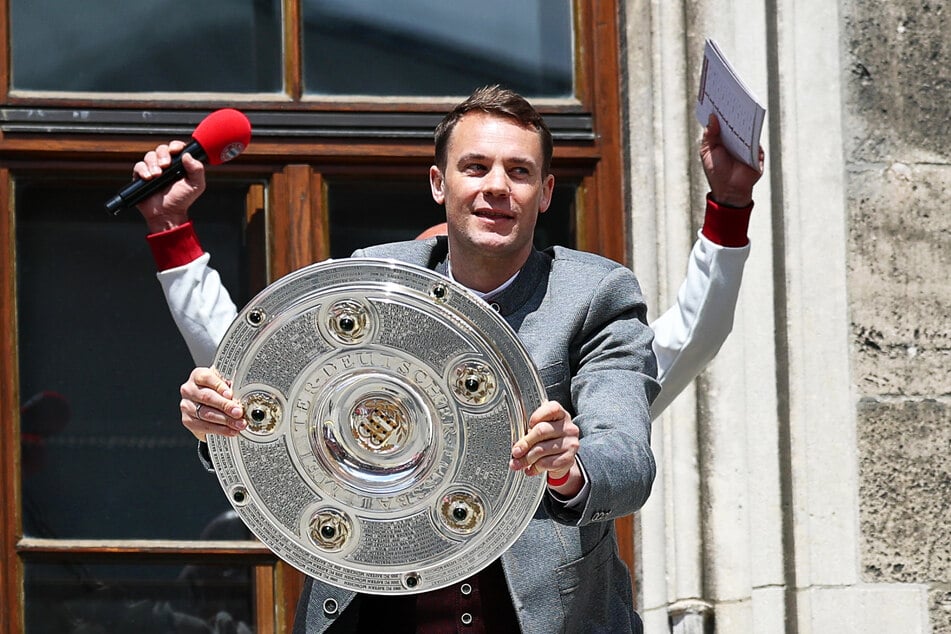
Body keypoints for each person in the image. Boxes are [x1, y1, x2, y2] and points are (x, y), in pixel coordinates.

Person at [133, 85, 762, 633]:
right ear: (439, 184)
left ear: (546, 193)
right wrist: (221, 423)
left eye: (518, 172)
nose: (495, 188)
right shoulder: (367, 287)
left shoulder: (594, 298)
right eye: (475, 166)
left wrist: (569, 466)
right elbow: (265, 405)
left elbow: (626, 454)